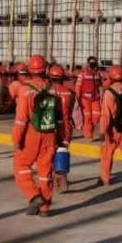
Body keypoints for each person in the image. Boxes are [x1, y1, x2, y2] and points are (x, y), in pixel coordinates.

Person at [12, 54, 60, 217]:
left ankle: (34, 196)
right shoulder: (52, 89)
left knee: (20, 166)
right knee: (45, 172)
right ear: (45, 69)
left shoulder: (25, 90)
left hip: (32, 134)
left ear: (29, 70)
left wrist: (17, 140)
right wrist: (62, 138)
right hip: (50, 132)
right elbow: (60, 116)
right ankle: (45, 209)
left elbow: (21, 120)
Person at [48, 64, 75, 192]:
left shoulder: (46, 91)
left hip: (49, 125)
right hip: (65, 126)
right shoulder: (69, 93)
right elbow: (70, 111)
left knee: (48, 152)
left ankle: (51, 178)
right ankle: (62, 176)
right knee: (62, 149)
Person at [75, 56, 102, 140]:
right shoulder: (83, 73)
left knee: (97, 116)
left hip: (95, 98)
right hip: (85, 99)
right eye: (91, 62)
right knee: (87, 117)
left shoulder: (98, 74)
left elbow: (101, 85)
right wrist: (77, 99)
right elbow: (78, 86)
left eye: (94, 62)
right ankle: (88, 135)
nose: (92, 64)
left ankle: (90, 129)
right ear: (88, 63)